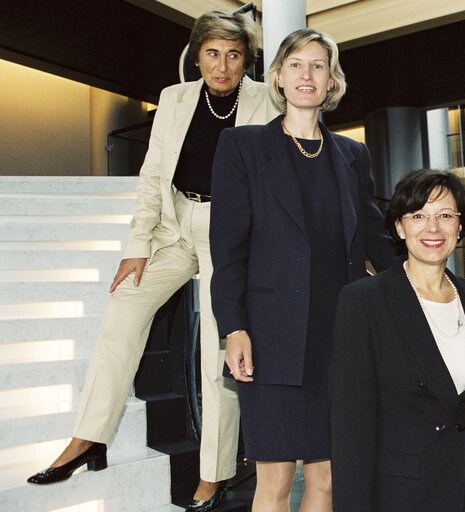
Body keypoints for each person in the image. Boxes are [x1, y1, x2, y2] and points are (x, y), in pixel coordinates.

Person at [27, 11, 279, 512]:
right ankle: (89, 438)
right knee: (122, 312)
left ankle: (214, 474)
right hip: (174, 228)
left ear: (246, 59)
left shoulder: (266, 101)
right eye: (212, 53)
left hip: (229, 238)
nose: (222, 66)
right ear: (196, 54)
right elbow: (151, 176)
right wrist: (136, 245)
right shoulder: (175, 98)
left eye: (234, 55)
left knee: (217, 354)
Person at [209, 28, 396, 512]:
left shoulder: (352, 155)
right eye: (296, 64)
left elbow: (376, 236)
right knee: (273, 480)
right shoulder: (242, 147)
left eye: (318, 65)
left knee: (329, 481)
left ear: (332, 81)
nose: (306, 74)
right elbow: (227, 250)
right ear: (278, 77)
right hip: (271, 339)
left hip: (339, 338)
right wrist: (233, 326)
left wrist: (424, 283)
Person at [329, 170, 465, 512]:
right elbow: (350, 426)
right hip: (405, 494)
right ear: (399, 227)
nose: (433, 228)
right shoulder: (363, 301)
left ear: (461, 226)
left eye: (445, 215)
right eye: (418, 216)